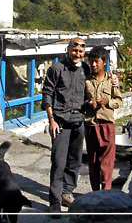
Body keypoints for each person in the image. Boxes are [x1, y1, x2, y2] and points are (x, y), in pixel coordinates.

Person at [41, 38, 89, 213]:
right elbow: (47, 94)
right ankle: (54, 201)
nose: (77, 53)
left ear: (84, 53)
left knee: (75, 161)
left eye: (80, 51)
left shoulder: (85, 69)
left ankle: (67, 192)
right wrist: (51, 120)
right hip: (60, 123)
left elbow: (93, 85)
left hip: (78, 122)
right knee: (58, 162)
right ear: (68, 50)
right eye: (74, 50)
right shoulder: (56, 69)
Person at [83, 46, 122, 191]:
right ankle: (95, 193)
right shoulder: (86, 81)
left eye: (96, 62)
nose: (93, 65)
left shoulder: (111, 81)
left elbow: (119, 100)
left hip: (107, 126)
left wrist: (108, 102)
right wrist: (89, 103)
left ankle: (107, 194)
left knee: (107, 162)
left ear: (104, 62)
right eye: (91, 62)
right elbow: (80, 101)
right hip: (91, 126)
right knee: (93, 163)